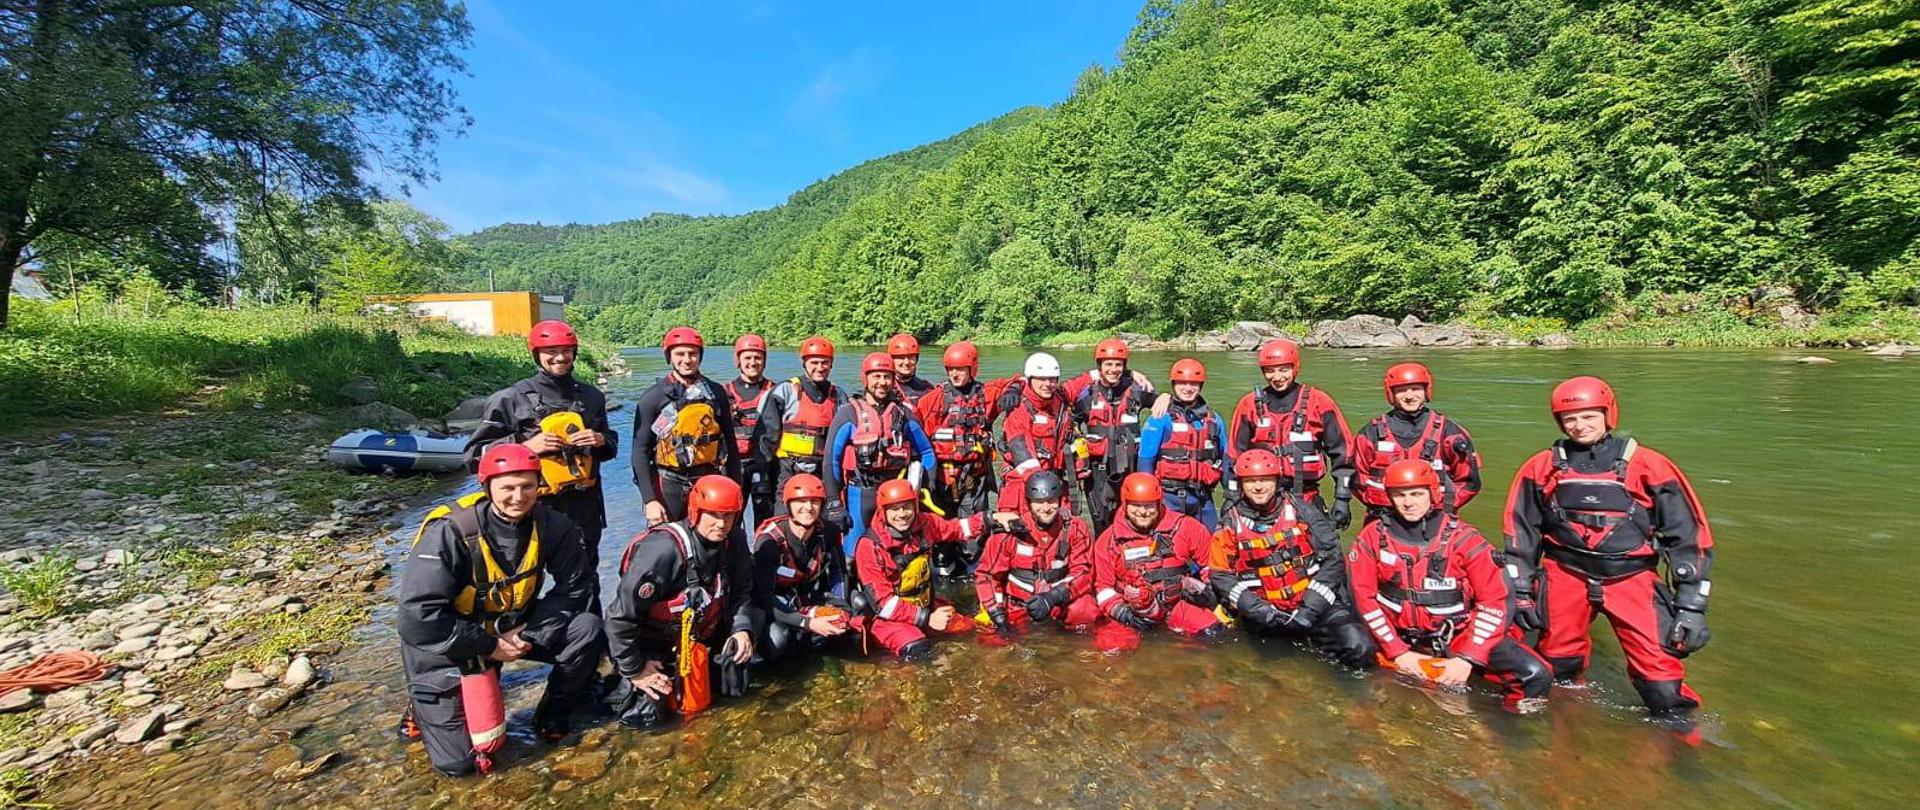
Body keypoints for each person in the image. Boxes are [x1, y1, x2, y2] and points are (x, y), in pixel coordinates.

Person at [1503, 376, 1715, 722]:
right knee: (1557, 667)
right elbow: (1520, 534)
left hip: (1630, 578)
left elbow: (1689, 538)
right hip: (1564, 575)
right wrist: (1522, 591)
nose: (1579, 425)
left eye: (1589, 416)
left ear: (1607, 414)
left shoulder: (1649, 465)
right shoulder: (1541, 467)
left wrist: (1692, 605)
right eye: (1570, 419)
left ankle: (1680, 742)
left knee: (1661, 683)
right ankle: (1566, 730)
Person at [398, 444, 604, 776]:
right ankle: (420, 705)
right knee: (460, 766)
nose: (518, 497)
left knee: (587, 629)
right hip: (451, 642)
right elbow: (417, 618)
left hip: (512, 625)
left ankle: (550, 717)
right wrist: (488, 645)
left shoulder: (553, 525)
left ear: (540, 485)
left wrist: (526, 632)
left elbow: (577, 588)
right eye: (507, 487)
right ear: (487, 487)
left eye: (527, 486)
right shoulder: (450, 533)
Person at [1351, 460, 1551, 712]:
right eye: (1399, 495)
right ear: (1389, 497)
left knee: (1535, 674)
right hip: (1399, 637)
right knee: (1350, 646)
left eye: (1416, 494)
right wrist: (1398, 651)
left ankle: (1509, 728)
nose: (1408, 502)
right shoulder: (1371, 538)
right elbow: (1364, 599)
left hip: (1454, 636)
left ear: (1433, 493)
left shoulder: (1465, 539)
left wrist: (1467, 658)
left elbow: (1494, 602)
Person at [463, 319, 617, 610]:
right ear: (536, 354)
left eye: (567, 350)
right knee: (521, 585)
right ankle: (518, 642)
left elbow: (610, 447)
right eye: (551, 351)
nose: (560, 357)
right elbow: (473, 456)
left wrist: (600, 439)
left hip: (583, 507)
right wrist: (524, 447)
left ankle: (590, 641)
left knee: (583, 581)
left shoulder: (591, 397)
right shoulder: (510, 399)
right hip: (529, 507)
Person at [605, 475, 759, 729]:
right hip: (653, 643)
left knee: (735, 682)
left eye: (728, 516)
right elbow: (620, 616)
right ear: (695, 511)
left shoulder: (735, 541)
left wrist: (741, 629)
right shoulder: (663, 551)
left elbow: (742, 591)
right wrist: (636, 668)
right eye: (713, 515)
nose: (721, 524)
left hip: (699, 635)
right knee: (648, 716)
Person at [1208, 449, 1374, 668]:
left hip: (1315, 607)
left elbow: (1333, 560)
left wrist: (1309, 610)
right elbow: (1220, 575)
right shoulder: (1229, 524)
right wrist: (1258, 610)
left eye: (1265, 480)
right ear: (1240, 484)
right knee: (1268, 668)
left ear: (1277, 481)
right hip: (1266, 614)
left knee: (1359, 648)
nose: (1258, 487)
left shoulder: (1304, 511)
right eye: (1250, 481)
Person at [849, 479, 1013, 660]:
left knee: (976, 631)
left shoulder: (924, 524)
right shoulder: (869, 547)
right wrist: (927, 618)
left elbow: (955, 528)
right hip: (888, 620)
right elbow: (883, 604)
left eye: (907, 507)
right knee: (919, 650)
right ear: (882, 512)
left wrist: (991, 518)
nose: (902, 514)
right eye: (894, 509)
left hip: (926, 607)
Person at [1228, 339, 1356, 530]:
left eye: (1283, 369)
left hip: (1306, 498)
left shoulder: (1319, 402)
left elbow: (1343, 453)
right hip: (1262, 500)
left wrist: (1342, 499)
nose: (1277, 376)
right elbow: (1234, 456)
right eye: (1270, 370)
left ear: (1295, 368)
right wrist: (1231, 498)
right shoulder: (1249, 405)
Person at [1091, 473, 1222, 652]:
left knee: (1213, 633)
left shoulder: (1186, 527)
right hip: (1131, 610)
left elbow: (1211, 564)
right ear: (1125, 503)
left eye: (1149, 506)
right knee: (1111, 651)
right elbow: (1102, 588)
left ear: (1159, 502)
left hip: (1175, 605)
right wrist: (1124, 614)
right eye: (1136, 506)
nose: (1143, 512)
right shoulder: (1108, 540)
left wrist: (1208, 590)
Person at [823, 352, 938, 557]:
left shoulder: (903, 414)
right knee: (853, 553)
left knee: (899, 552)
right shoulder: (848, 413)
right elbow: (831, 460)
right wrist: (833, 502)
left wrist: (923, 487)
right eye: (876, 376)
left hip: (896, 495)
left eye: (887, 377)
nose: (882, 382)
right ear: (865, 378)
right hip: (861, 492)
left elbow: (927, 452)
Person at [631, 327, 742, 525]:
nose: (687, 359)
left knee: (714, 541)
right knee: (668, 542)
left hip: (708, 478)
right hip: (669, 482)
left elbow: (731, 444)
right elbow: (640, 451)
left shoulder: (716, 393)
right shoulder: (654, 397)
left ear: (700, 356)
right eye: (680, 354)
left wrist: (735, 487)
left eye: (693, 353)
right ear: (669, 357)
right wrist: (650, 500)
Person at [973, 471, 1099, 640]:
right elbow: (987, 576)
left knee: (1087, 609)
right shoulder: (1009, 532)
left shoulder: (1075, 528)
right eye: (1039, 502)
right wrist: (998, 616)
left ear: (1061, 500)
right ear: (1028, 502)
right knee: (989, 638)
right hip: (1017, 606)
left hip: (1055, 602)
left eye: (1051, 501)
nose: (1046, 508)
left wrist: (1053, 597)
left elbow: (1084, 572)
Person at [1352, 362, 1482, 524]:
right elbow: (1357, 480)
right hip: (1383, 519)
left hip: (1436, 518)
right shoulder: (1369, 434)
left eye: (1416, 389)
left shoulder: (1450, 433)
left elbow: (1470, 482)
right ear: (1390, 394)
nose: (1409, 395)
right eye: (1401, 390)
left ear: (1426, 391)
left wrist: (1443, 507)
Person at [750, 474, 851, 663]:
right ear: (788, 505)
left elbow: (839, 573)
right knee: (778, 639)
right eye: (801, 502)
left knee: (848, 616)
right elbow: (762, 598)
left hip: (806, 595)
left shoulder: (828, 531)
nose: (808, 508)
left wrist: (841, 606)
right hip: (774, 602)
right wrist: (808, 622)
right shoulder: (769, 541)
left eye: (814, 502)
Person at [1065, 339, 1158, 529]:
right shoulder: (1087, 394)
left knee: (1132, 519)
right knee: (1101, 520)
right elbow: (1070, 421)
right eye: (1108, 364)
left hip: (1130, 467)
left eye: (1118, 364)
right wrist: (1078, 449)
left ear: (1124, 366)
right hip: (1098, 469)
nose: (1113, 369)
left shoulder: (1137, 390)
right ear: (1099, 366)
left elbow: (1163, 407)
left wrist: (1165, 397)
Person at [914, 340, 1007, 521]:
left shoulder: (986, 394)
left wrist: (1013, 389)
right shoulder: (935, 399)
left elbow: (1020, 381)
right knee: (942, 534)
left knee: (975, 537)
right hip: (942, 480)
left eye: (960, 369)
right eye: (950, 369)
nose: (954, 374)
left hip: (974, 481)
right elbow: (917, 433)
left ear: (972, 369)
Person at [1137, 358, 1230, 530]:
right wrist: (1147, 502)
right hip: (1169, 498)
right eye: (1182, 383)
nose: (1187, 388)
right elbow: (1145, 464)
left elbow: (1226, 461)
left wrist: (1232, 497)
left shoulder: (1214, 420)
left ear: (1201, 386)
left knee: (1211, 548)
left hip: (1202, 499)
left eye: (1193, 384)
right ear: (1173, 384)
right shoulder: (1160, 418)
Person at [757, 336, 848, 503]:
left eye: (824, 362)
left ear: (831, 364)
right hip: (788, 470)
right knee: (784, 518)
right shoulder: (786, 390)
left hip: (823, 470)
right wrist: (763, 476)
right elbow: (767, 438)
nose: (820, 368)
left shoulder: (839, 395)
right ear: (804, 363)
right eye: (814, 362)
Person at [994, 352, 1075, 513]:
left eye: (1052, 379)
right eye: (1042, 379)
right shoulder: (1020, 409)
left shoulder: (1059, 400)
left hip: (1053, 478)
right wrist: (1044, 492)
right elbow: (1021, 452)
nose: (1048, 384)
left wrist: (1130, 374)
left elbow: (1081, 383)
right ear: (1030, 380)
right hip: (1025, 482)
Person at [724, 334, 776, 522]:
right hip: (735, 467)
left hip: (767, 466)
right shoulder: (725, 393)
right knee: (731, 518)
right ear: (738, 360)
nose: (753, 362)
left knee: (766, 520)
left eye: (757, 357)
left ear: (764, 360)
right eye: (747, 357)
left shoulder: (777, 391)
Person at [888, 332, 937, 400]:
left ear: (916, 359)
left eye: (911, 357)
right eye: (901, 357)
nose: (906, 362)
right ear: (891, 359)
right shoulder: (884, 388)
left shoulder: (927, 388)